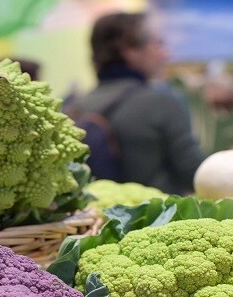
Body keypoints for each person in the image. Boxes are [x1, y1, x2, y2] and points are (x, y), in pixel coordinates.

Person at [71, 11, 205, 194]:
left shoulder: (74, 108)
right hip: (159, 211)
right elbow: (196, 174)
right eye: (158, 44)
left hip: (96, 212)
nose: (166, 53)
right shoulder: (162, 101)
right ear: (130, 51)